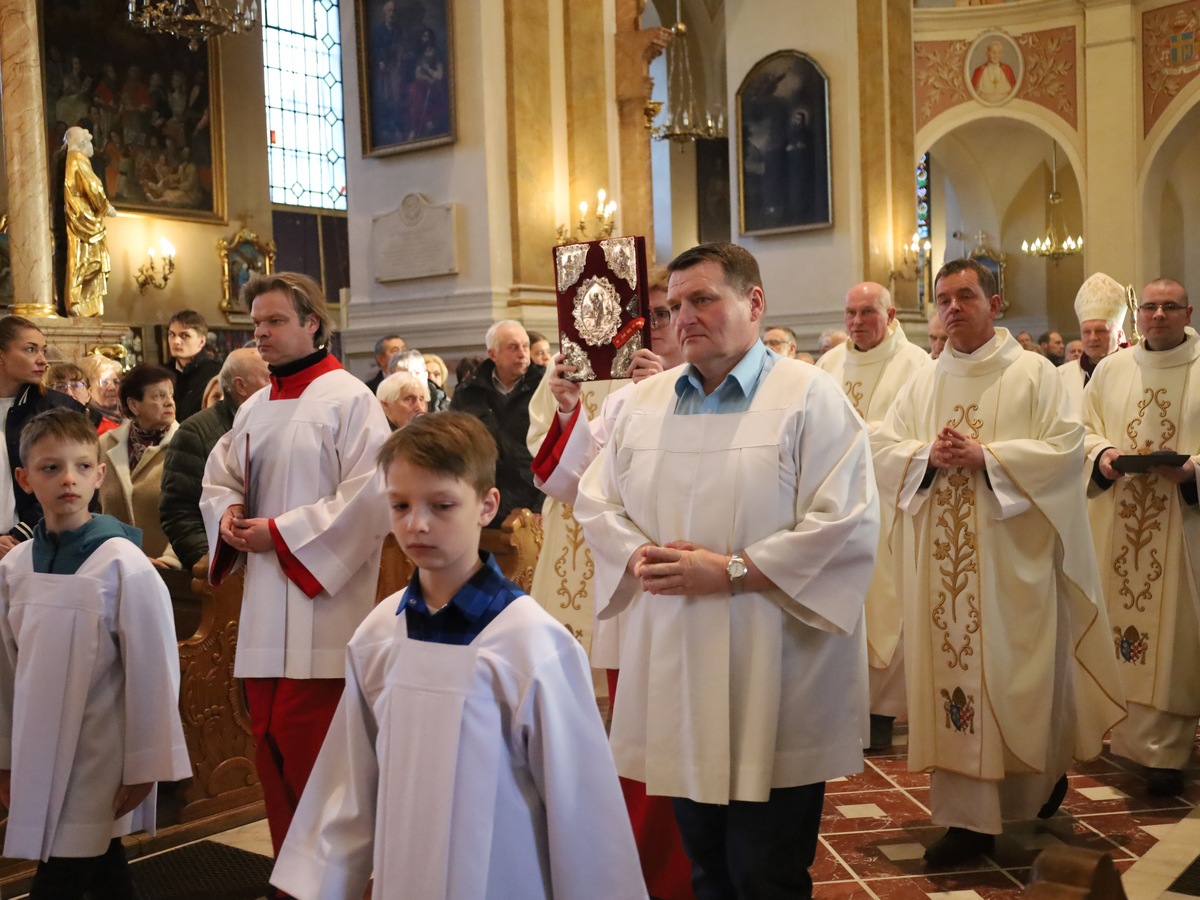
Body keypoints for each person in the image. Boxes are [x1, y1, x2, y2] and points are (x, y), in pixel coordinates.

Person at [575, 242, 879, 898]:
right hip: (678, 659)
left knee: (764, 871)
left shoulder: (810, 397)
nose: (684, 317)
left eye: (703, 299)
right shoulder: (646, 402)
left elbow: (845, 521)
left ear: (754, 302)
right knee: (706, 867)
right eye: (673, 305)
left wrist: (733, 570)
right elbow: (597, 501)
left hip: (775, 663)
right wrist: (639, 555)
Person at [271, 412, 646, 900]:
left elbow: (582, 811)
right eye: (400, 505)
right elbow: (349, 787)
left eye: (442, 505)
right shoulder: (378, 635)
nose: (417, 524)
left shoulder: (533, 645)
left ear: (487, 505)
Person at [872, 259, 1125, 866]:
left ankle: (1038, 783)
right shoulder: (925, 380)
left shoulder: (1034, 374)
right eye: (943, 298)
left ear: (995, 303)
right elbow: (882, 447)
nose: (952, 307)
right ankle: (966, 821)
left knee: (1020, 680)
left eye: (965, 296)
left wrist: (988, 457)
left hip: (1014, 568)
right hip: (941, 574)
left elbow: (1065, 451)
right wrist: (926, 457)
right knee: (952, 681)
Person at [201, 272, 392, 863]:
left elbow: (370, 497)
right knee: (272, 748)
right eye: (256, 323)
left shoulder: (351, 399)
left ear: (312, 323)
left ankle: (334, 880)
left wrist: (281, 534)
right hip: (264, 608)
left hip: (323, 608)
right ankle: (291, 875)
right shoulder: (253, 407)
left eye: (275, 321)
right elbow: (220, 478)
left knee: (318, 754)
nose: (261, 333)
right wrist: (229, 515)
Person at [528, 266, 693, 900]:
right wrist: (571, 408)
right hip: (636, 595)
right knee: (643, 751)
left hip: (707, 590)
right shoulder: (625, 399)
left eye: (671, 311)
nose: (662, 325)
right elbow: (568, 484)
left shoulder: (731, 388)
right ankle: (646, 878)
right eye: (650, 314)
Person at [0, 408, 190, 897]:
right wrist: (5, 757)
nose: (69, 479)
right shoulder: (16, 567)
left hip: (100, 752)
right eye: (50, 468)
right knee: (101, 867)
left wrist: (147, 764)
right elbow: (6, 672)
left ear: (99, 474)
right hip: (37, 748)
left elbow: (155, 669)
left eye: (82, 466)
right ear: (24, 479)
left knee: (62, 874)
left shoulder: (122, 564)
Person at [1082, 277, 1200, 797]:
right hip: (1118, 524)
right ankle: (1125, 737)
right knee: (1119, 628)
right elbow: (1081, 429)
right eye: (1150, 307)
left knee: (1175, 638)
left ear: (1187, 313)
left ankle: (1166, 755)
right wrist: (1103, 455)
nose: (1158, 315)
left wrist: (1193, 471)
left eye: (1169, 307)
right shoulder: (1113, 369)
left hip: (1184, 531)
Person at [817, 282, 932, 750]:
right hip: (835, 504)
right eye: (850, 312)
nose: (857, 322)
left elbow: (921, 431)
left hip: (890, 501)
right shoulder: (828, 365)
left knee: (886, 601)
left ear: (891, 314)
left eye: (867, 312)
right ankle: (841, 704)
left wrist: (868, 434)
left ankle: (881, 710)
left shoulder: (917, 365)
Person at [160, 348, 269, 573]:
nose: (276, 383)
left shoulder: (272, 422)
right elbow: (179, 511)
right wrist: (211, 562)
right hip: (227, 567)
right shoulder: (196, 433)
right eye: (269, 377)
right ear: (240, 386)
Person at [0, 317, 88, 554]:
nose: (43, 360)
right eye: (30, 350)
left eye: (43, 350)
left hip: (42, 541)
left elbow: (77, 480)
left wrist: (20, 535)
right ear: (1, 356)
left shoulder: (59, 409)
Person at [450, 321, 546, 525]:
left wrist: (542, 505)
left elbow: (557, 449)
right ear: (492, 354)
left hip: (532, 502)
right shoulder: (468, 392)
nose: (522, 353)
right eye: (513, 347)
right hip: (482, 502)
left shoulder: (545, 388)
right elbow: (455, 450)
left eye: (525, 346)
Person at [98, 365, 180, 569]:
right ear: (134, 405)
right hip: (114, 568)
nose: (169, 401)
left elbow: (194, 514)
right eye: (158, 396)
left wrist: (170, 560)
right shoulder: (104, 444)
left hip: (168, 570)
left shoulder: (186, 444)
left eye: (170, 394)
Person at [61, 126, 117, 317]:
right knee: (84, 259)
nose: (92, 146)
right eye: (90, 141)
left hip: (83, 216)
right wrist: (106, 207)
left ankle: (86, 303)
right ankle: (77, 301)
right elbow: (93, 186)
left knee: (89, 260)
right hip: (83, 218)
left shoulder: (73, 159)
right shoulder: (77, 158)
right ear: (83, 143)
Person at [1060, 273, 1128, 412]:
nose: (1093, 338)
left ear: (1119, 335)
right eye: (1086, 332)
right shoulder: (1062, 376)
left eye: (1101, 331)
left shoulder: (1134, 370)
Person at [167, 309, 223, 422]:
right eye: (172, 334)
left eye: (185, 336)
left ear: (201, 342)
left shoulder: (217, 372)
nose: (176, 341)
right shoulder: (162, 373)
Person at [77, 353, 122, 432]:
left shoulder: (130, 416)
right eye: (104, 382)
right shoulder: (86, 424)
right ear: (88, 389)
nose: (113, 387)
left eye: (115, 382)